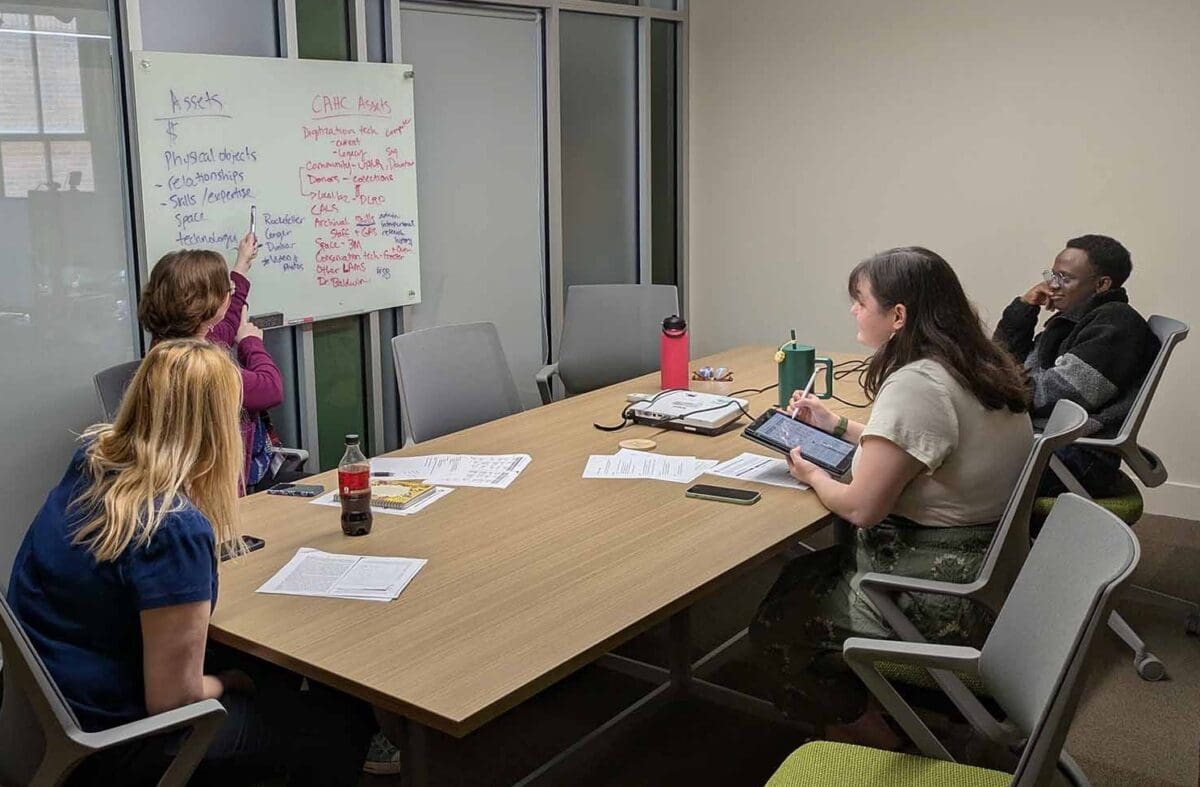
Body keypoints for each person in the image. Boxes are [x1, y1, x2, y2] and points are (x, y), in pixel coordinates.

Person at [6, 339, 373, 785]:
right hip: (121, 742)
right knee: (342, 717)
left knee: (272, 674)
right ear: (216, 429)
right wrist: (231, 682)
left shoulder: (93, 463)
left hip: (49, 712)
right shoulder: (170, 527)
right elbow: (174, 702)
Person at [751, 247, 1033, 749]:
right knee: (801, 574)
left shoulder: (916, 384)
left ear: (898, 316)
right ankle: (880, 697)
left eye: (861, 302)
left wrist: (809, 471)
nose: (854, 312)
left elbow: (862, 507)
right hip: (990, 574)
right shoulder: (973, 364)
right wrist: (836, 424)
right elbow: (926, 444)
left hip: (939, 598)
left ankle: (876, 742)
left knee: (779, 626)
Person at [993, 234, 1160, 497]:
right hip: (1045, 441)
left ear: (1102, 284)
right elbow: (1003, 362)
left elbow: (1047, 396)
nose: (1051, 286)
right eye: (1052, 275)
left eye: (1064, 279)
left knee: (954, 466)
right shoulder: (1072, 321)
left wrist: (991, 382)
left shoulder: (1116, 326)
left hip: (1075, 457)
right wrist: (1024, 310)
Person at [137, 235, 287, 492]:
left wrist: (241, 266)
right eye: (225, 288)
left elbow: (226, 324)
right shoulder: (200, 367)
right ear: (207, 305)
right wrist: (251, 342)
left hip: (184, 489)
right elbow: (270, 388)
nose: (230, 289)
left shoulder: (168, 345)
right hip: (216, 493)